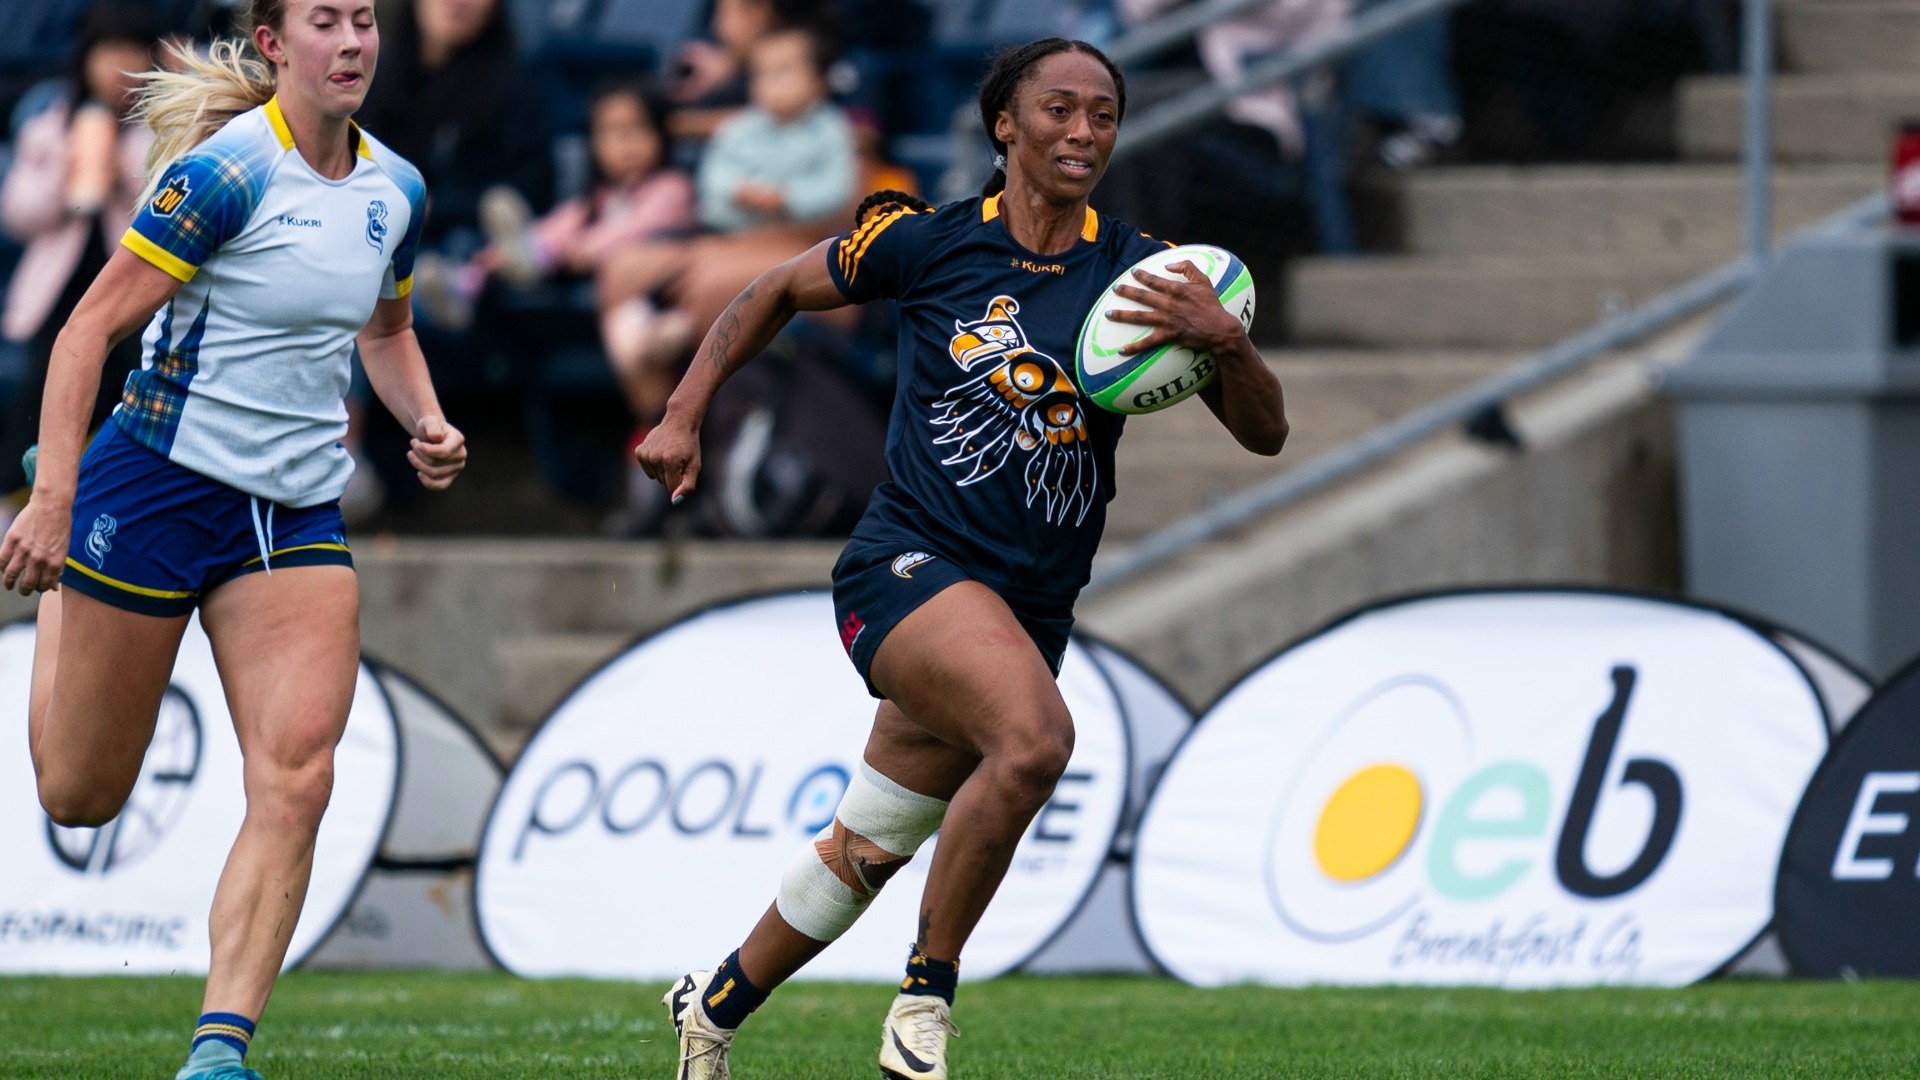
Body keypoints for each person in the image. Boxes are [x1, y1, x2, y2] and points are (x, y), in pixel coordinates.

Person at [637, 37, 1287, 1080]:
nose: (1083, 132)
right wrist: (683, 415)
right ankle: (924, 1004)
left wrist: (1230, 344)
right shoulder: (928, 242)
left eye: (1104, 115)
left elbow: (1265, 436)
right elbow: (770, 291)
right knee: (1033, 743)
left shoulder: (1144, 275)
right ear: (1005, 125)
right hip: (907, 565)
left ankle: (709, 1010)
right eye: (1059, 110)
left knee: (867, 846)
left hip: (1032, 603)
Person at [0, 1, 466, 1077]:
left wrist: (424, 421)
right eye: (325, 22)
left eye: (365, 20)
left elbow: (385, 329)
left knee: (299, 778)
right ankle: (73, 589)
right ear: (274, 43)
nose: (352, 43)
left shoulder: (396, 188)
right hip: (154, 486)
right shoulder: (222, 176)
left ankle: (219, 1054)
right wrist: (56, 498)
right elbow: (84, 333)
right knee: (78, 796)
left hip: (292, 513)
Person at [0, 3, 162, 497]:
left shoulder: (158, 130)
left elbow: (167, 219)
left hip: (130, 299)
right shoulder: (51, 123)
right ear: (86, 57)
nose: (119, 67)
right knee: (38, 389)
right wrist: (68, 176)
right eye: (109, 52)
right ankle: (16, 500)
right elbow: (16, 210)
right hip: (57, 296)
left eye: (133, 52)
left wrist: (119, 173)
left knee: (130, 389)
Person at [409, 79, 695, 334]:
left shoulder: (672, 188)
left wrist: (579, 247)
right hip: (569, 269)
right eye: (610, 132)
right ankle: (465, 284)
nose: (625, 143)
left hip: (626, 286)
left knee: (541, 253)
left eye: (637, 128)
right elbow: (560, 225)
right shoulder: (599, 198)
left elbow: (634, 232)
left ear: (661, 133)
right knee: (532, 244)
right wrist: (500, 253)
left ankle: (524, 261)